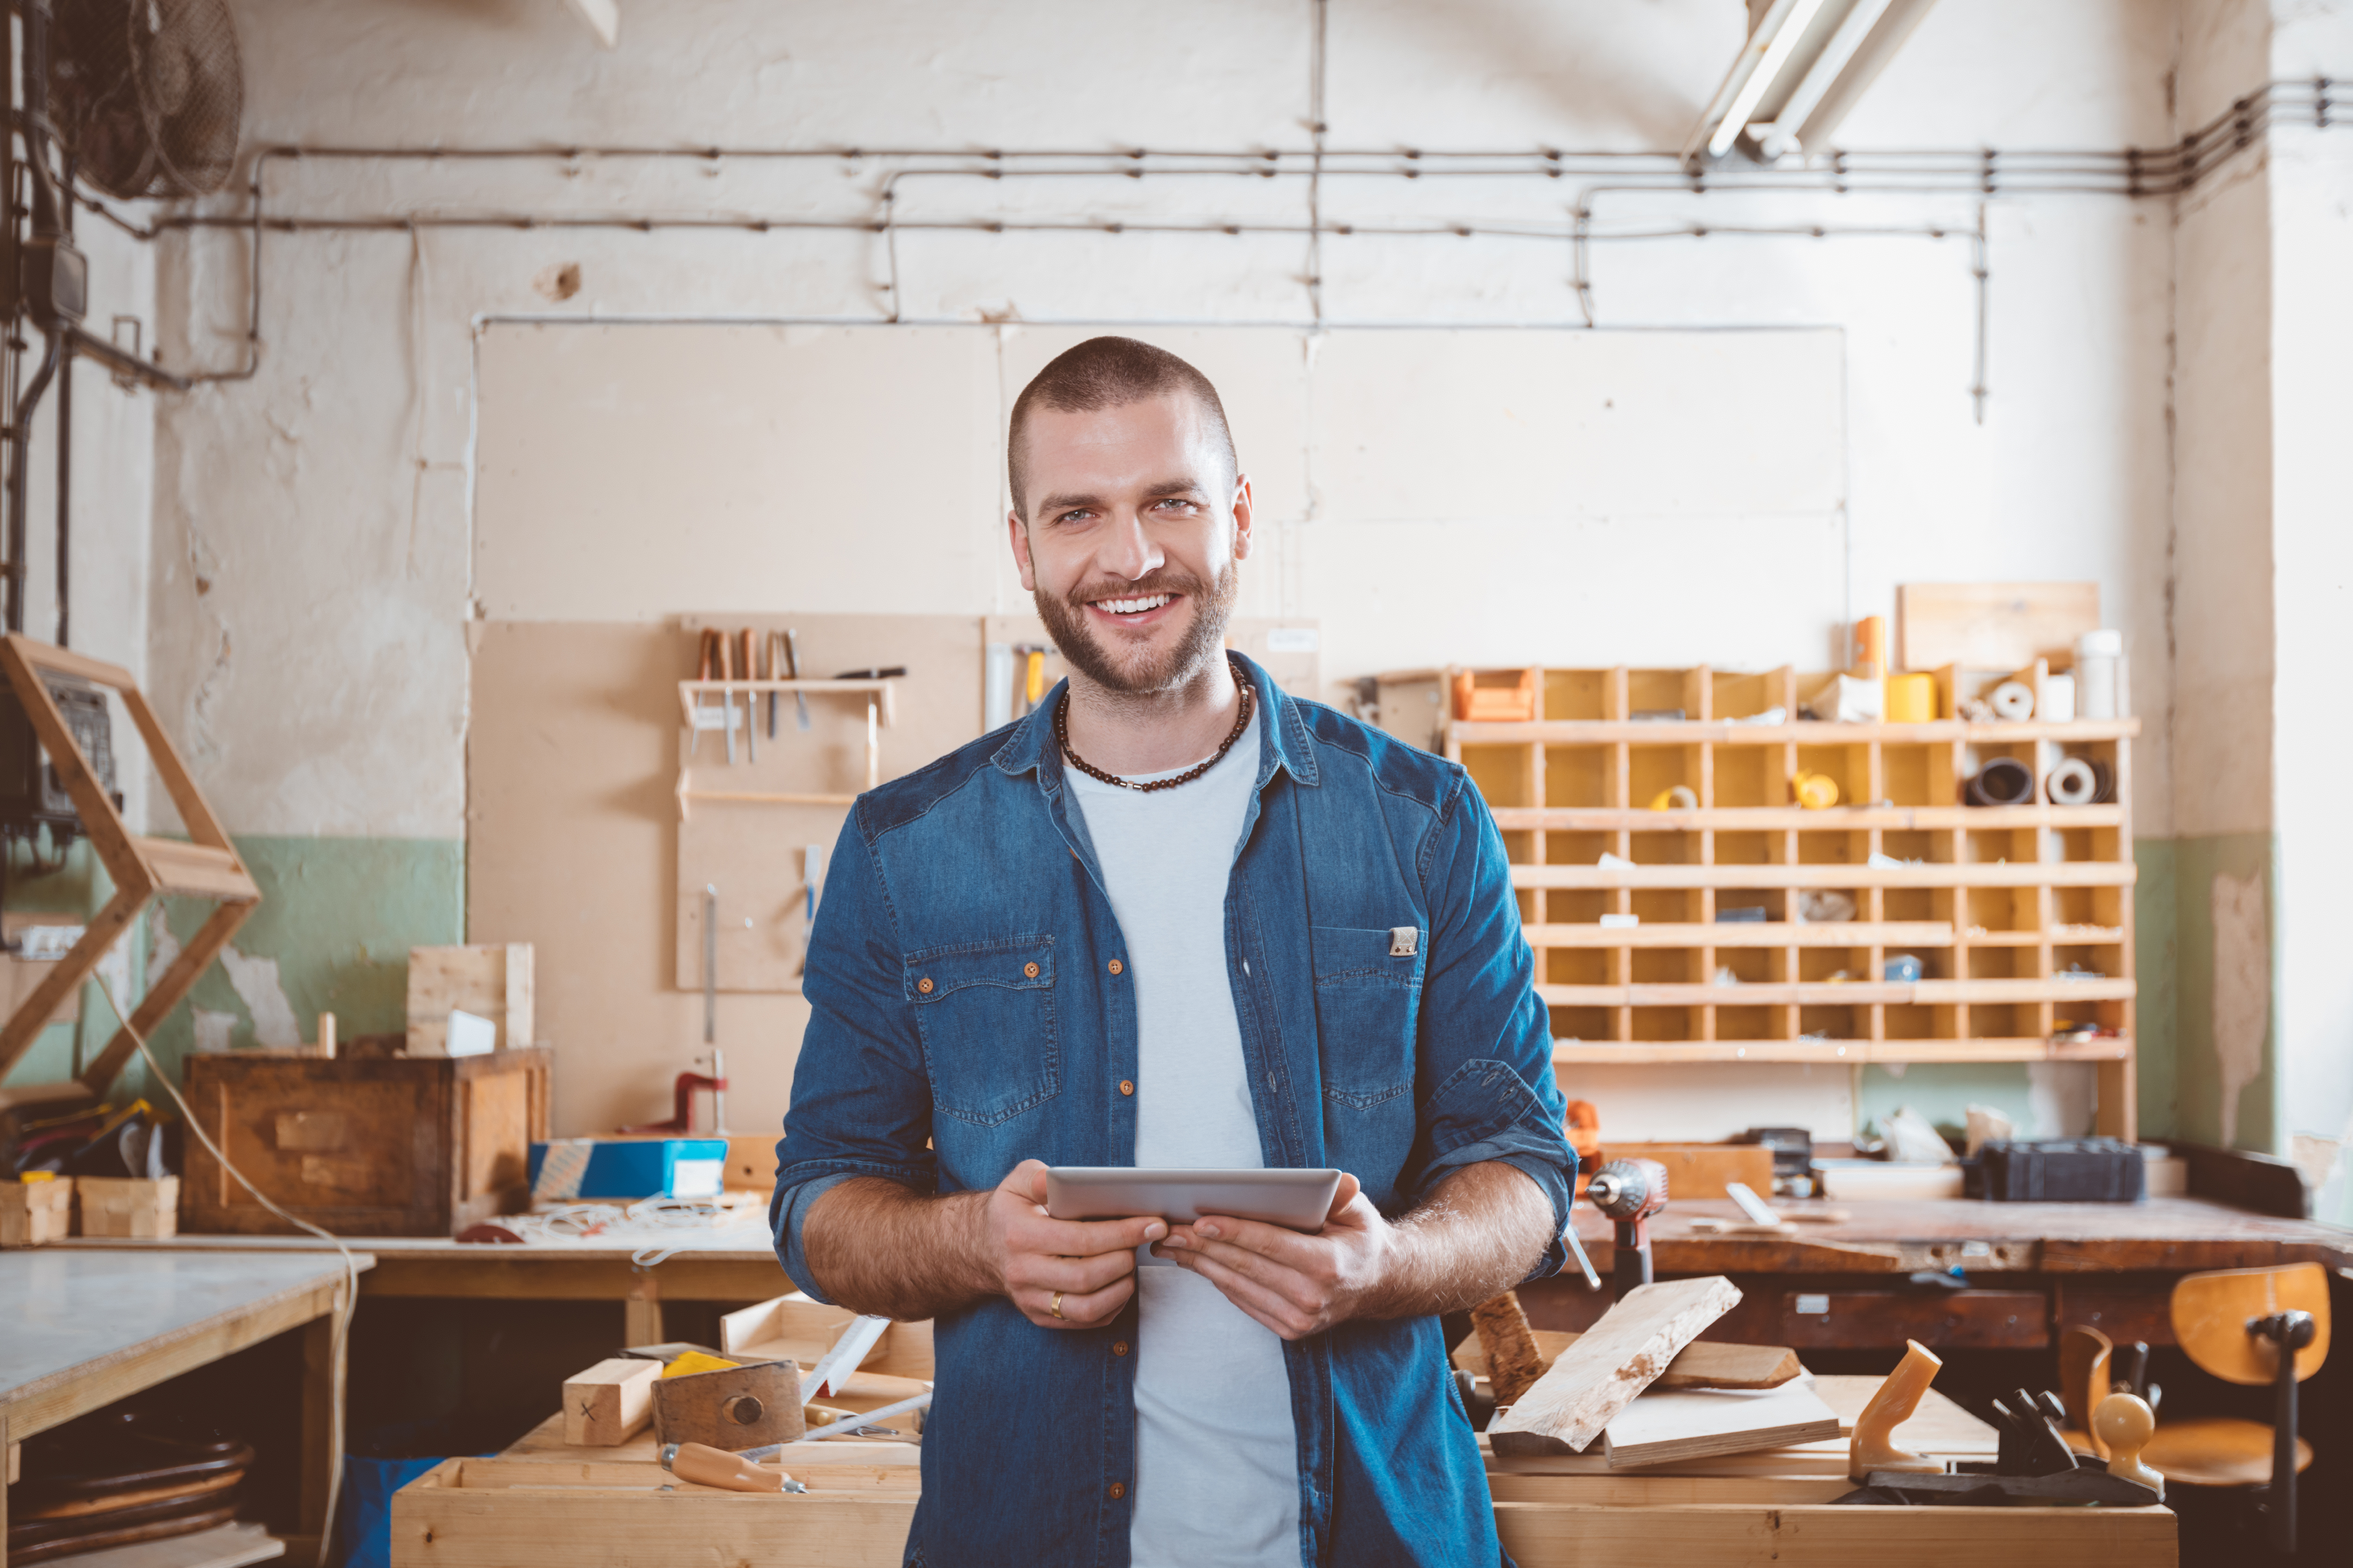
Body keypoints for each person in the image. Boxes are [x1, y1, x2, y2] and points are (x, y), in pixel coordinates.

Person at [772, 336, 1576, 1567]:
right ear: (1023, 545)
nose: (1131, 556)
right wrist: (978, 1240)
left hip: (1372, 1535)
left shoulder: (1417, 821)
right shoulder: (904, 850)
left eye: (1171, 501)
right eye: (1077, 512)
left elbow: (1518, 1162)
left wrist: (1390, 1265)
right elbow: (823, 1198)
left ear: (1238, 515)